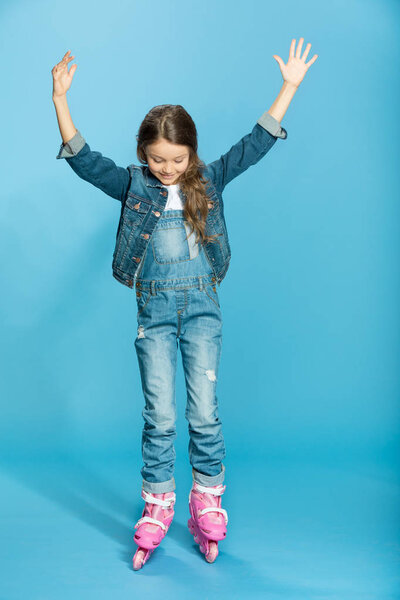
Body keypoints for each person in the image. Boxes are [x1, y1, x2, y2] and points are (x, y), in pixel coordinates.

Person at [51, 37, 318, 570]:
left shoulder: (210, 180)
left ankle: (206, 499)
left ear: (191, 153)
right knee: (161, 415)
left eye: (176, 159)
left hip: (202, 311)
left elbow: (255, 143)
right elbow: (84, 161)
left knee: (203, 412)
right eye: (156, 159)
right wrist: (61, 100)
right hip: (153, 313)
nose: (167, 168)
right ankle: (157, 505)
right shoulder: (132, 186)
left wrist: (287, 87)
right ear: (142, 155)